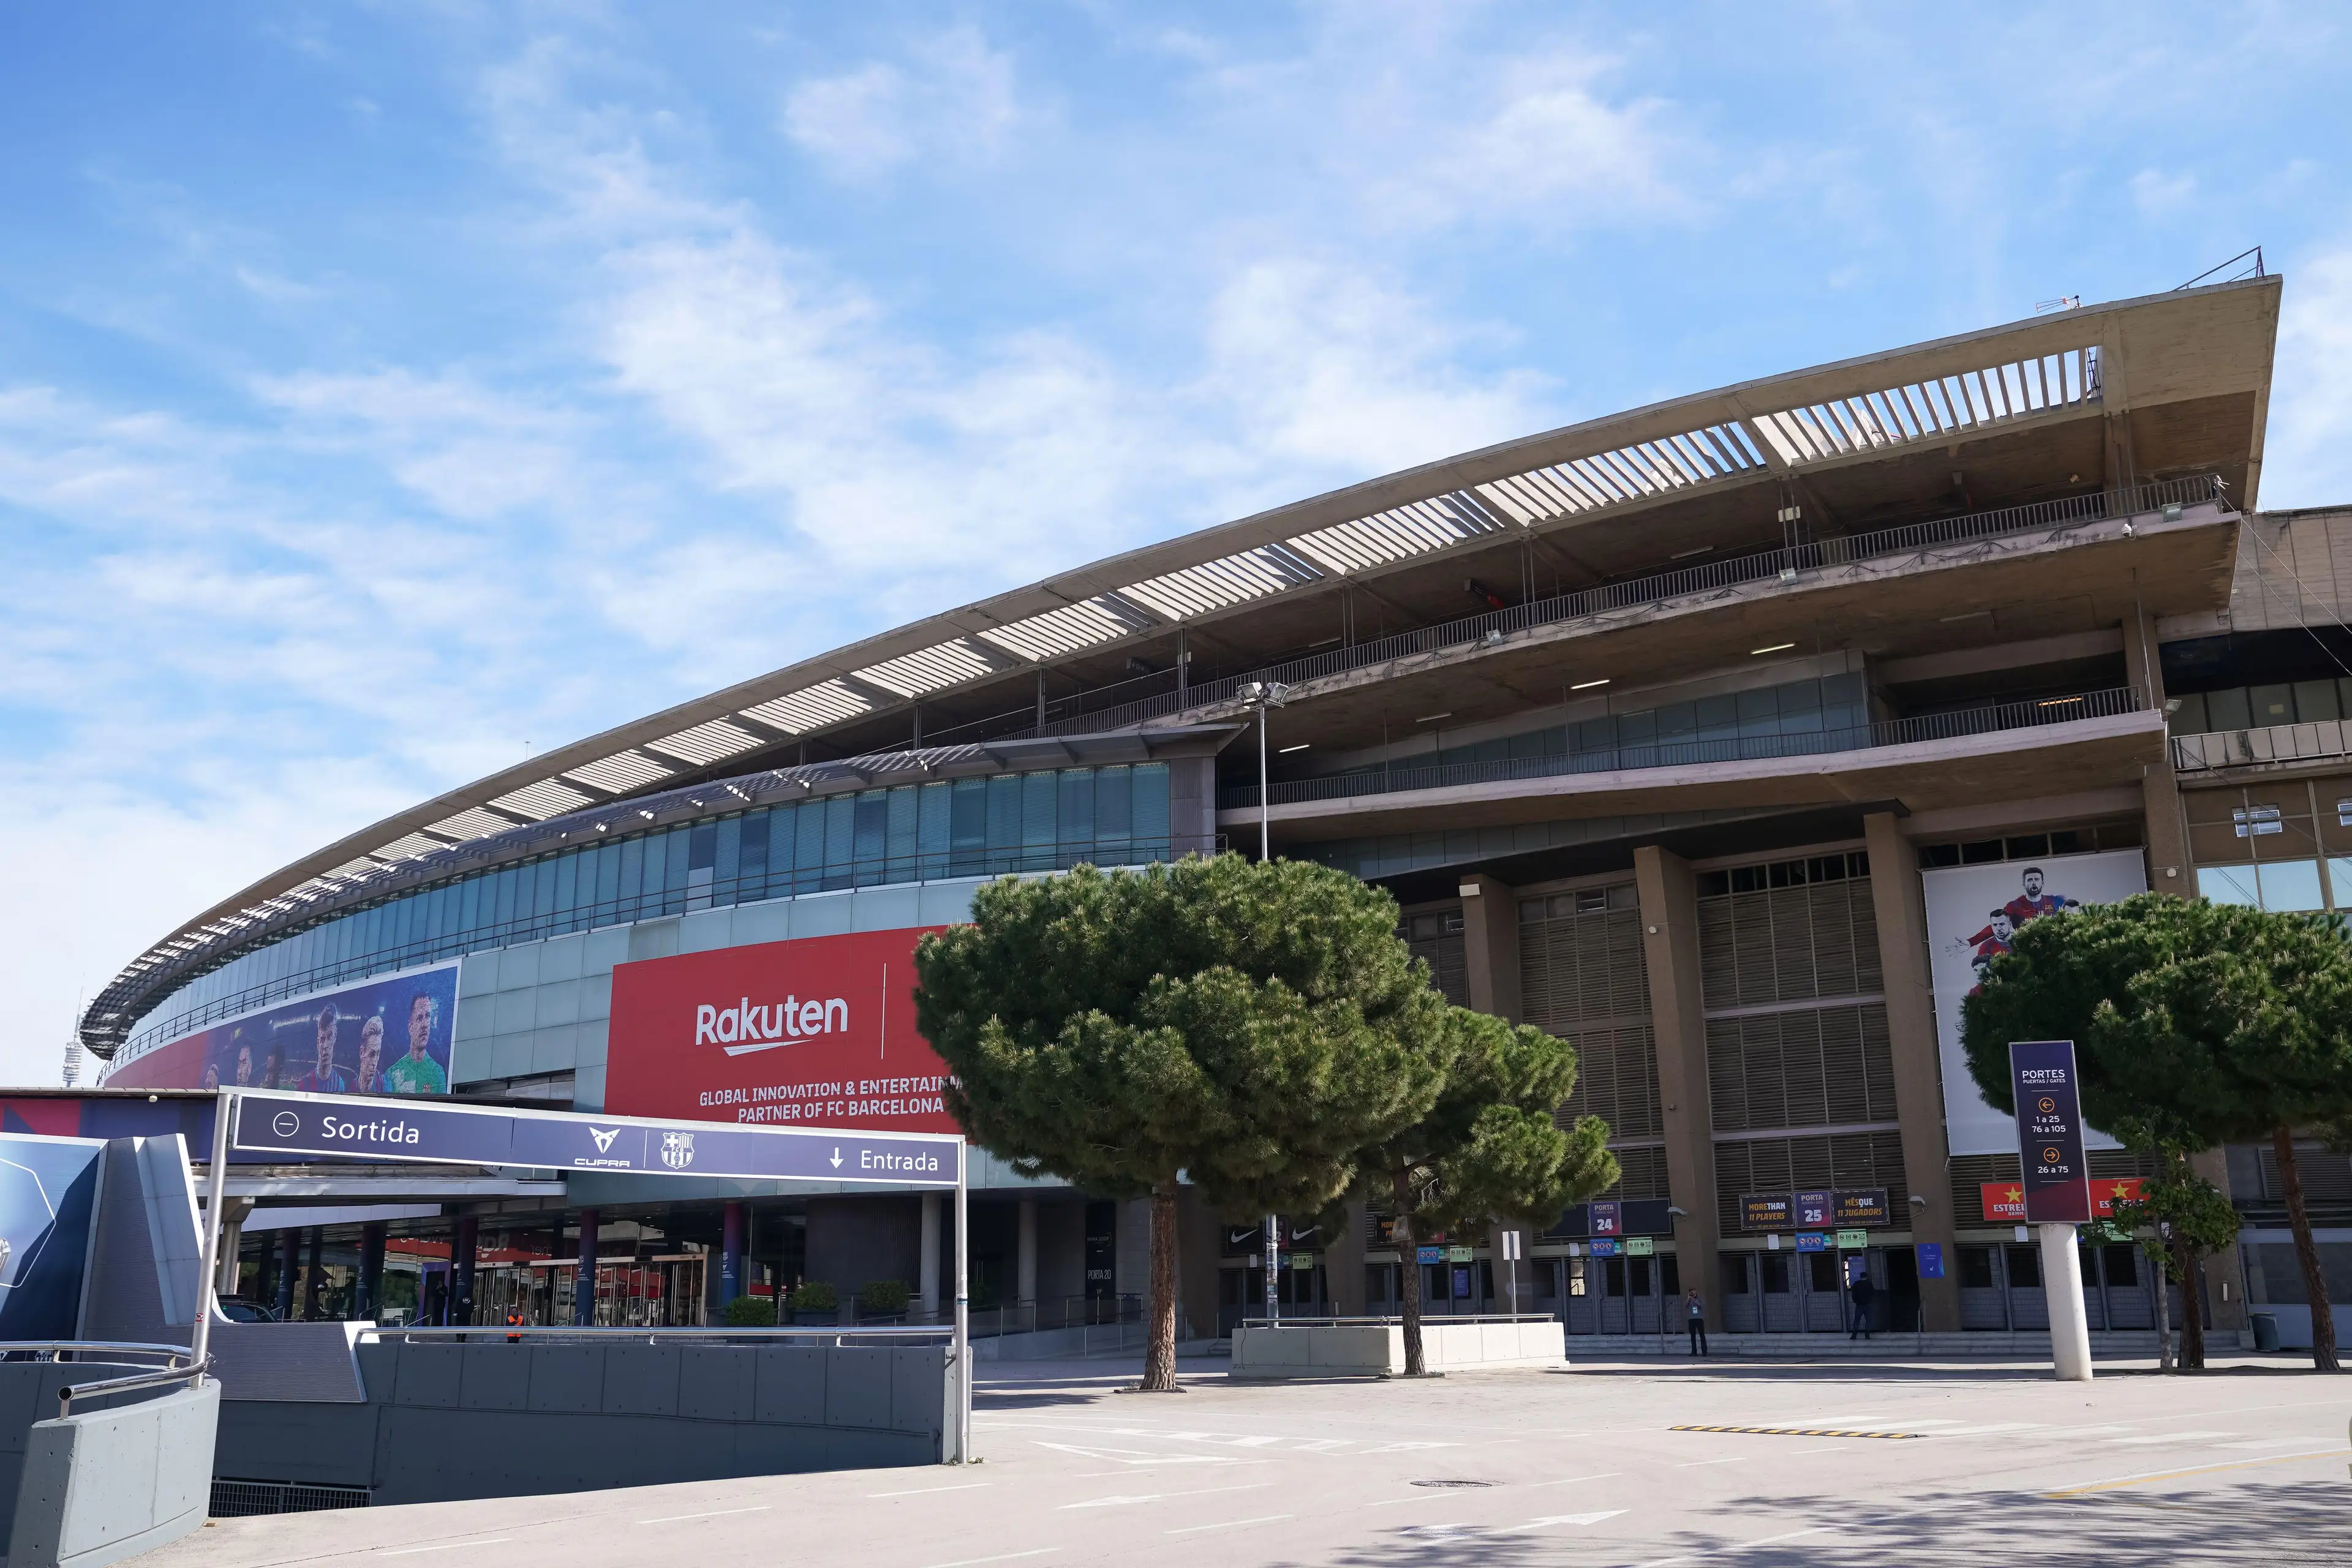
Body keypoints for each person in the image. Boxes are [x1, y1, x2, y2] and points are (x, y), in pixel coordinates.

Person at [385, 992, 448, 1095]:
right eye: (419, 1018)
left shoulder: (438, 1073)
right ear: (410, 1027)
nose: (425, 1025)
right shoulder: (392, 1074)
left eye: (428, 1016)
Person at [296, 1005, 349, 1094]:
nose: (326, 1045)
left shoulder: (340, 1084)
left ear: (335, 1038)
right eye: (322, 1039)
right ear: (318, 1044)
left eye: (330, 1037)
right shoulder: (305, 1083)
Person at [2002, 866, 2076, 925]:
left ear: (2042, 883)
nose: (2033, 883)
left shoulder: (2055, 901)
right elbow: (1999, 923)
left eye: (2037, 879)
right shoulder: (2014, 906)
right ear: (2024, 884)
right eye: (2030, 880)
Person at [354, 1014, 386, 1095]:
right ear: (362, 1053)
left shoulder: (385, 1086)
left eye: (378, 1054)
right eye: (372, 1054)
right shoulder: (350, 1086)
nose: (375, 1062)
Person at [1849, 1267, 1877, 1340]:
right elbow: (1873, 1293)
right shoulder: (1869, 1284)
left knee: (1857, 1320)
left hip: (1859, 1305)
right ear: (1866, 1277)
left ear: (1860, 1277)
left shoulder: (1856, 1284)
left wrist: (1856, 1301)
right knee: (1868, 1321)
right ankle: (1867, 1336)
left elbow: (1853, 1294)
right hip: (1868, 1304)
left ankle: (1854, 1335)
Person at [1684, 1286, 1708, 1356]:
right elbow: (1685, 1306)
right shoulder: (1689, 1299)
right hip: (1691, 1319)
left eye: (1693, 1290)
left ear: (1695, 1291)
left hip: (1699, 1318)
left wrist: (1694, 1301)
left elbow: (1701, 1306)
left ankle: (1704, 1352)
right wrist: (1689, 1299)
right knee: (1693, 1336)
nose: (1692, 1292)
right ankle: (1694, 1352)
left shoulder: (1699, 1298)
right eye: (1690, 1291)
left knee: (1702, 1335)